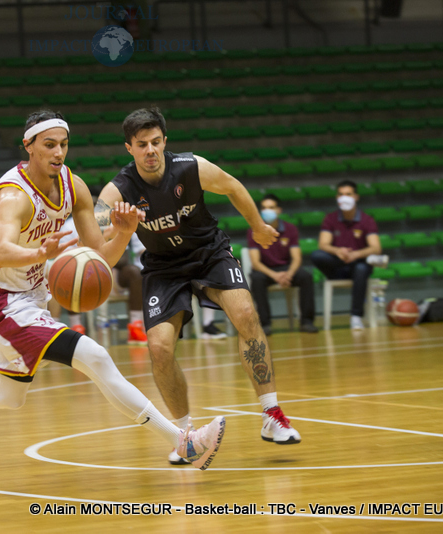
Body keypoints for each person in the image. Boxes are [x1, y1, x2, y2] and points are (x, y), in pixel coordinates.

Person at [0, 110, 226, 473]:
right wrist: (40, 253)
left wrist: (123, 231)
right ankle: (184, 443)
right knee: (96, 356)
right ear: (29, 146)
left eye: (64, 145)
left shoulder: (74, 186)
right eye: (49, 145)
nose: (58, 153)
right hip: (3, 304)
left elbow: (100, 257)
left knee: (7, 396)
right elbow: (2, 251)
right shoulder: (12, 196)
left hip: (33, 299)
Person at [95, 107, 301, 466]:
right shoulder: (117, 192)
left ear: (165, 142)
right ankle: (185, 436)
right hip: (163, 266)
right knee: (159, 348)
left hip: (209, 253)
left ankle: (272, 414)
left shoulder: (191, 167)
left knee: (246, 314)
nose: (150, 150)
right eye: (142, 144)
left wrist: (256, 225)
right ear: (129, 148)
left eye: (156, 142)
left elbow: (233, 187)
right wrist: (120, 232)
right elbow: (98, 245)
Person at [310, 180, 386, 330]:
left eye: (348, 194)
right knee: (317, 255)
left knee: (362, 268)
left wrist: (356, 254)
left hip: (358, 266)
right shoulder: (330, 218)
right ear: (337, 198)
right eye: (341, 194)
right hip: (337, 267)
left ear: (356, 197)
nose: (344, 197)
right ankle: (346, 259)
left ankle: (356, 316)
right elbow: (323, 244)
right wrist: (338, 251)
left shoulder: (367, 220)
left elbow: (376, 247)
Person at [248, 194, 318, 336]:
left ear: (279, 210)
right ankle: (265, 324)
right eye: (264, 208)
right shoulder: (254, 230)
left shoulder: (290, 229)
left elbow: (296, 258)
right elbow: (255, 262)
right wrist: (275, 275)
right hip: (265, 270)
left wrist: (288, 274)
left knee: (306, 277)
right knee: (256, 280)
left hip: (286, 269)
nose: (267, 211)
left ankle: (306, 321)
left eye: (271, 207)